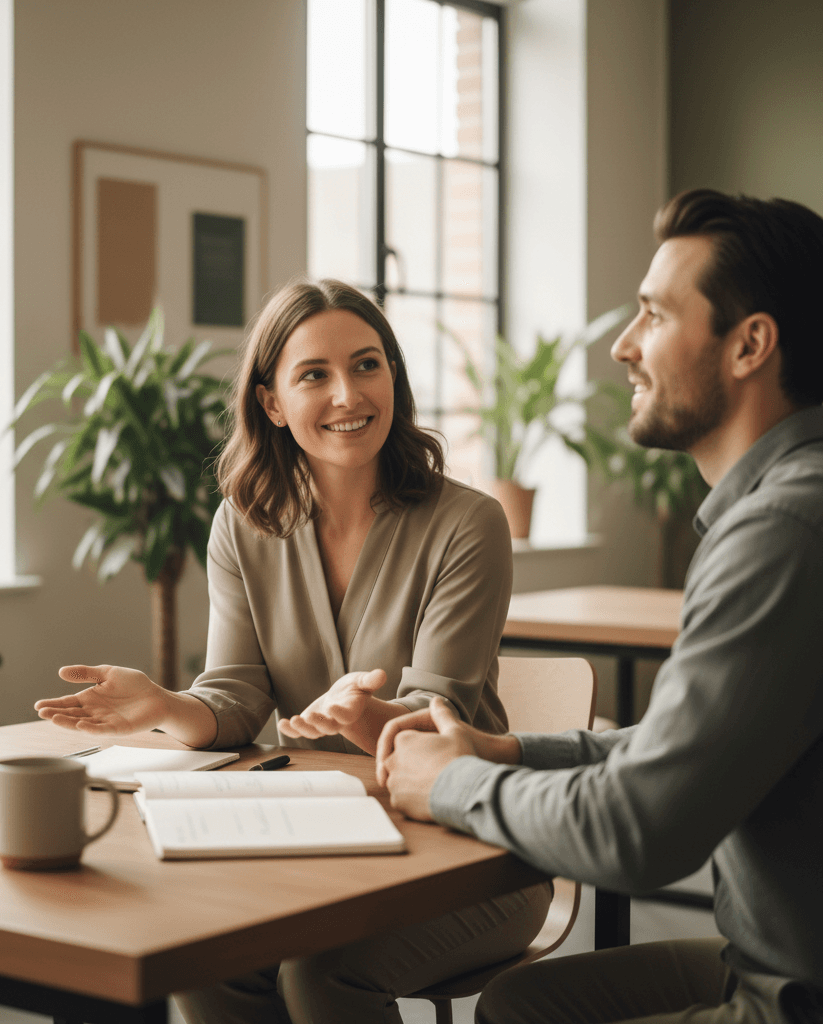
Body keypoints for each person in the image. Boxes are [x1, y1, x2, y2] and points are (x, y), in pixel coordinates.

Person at [35, 279, 551, 1024]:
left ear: (394, 377)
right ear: (272, 403)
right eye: (314, 375)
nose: (348, 394)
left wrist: (364, 715)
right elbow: (235, 701)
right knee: (206, 956)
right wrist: (165, 706)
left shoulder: (468, 523)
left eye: (367, 365)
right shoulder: (243, 524)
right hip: (315, 838)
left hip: (475, 853)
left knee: (321, 977)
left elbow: (438, 721)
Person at [378, 189, 823, 1024]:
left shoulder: (784, 529)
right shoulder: (787, 505)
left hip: (790, 994)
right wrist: (505, 751)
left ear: (749, 345)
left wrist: (454, 784)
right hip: (765, 959)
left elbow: (640, 830)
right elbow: (670, 752)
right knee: (520, 1005)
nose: (623, 345)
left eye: (654, 314)